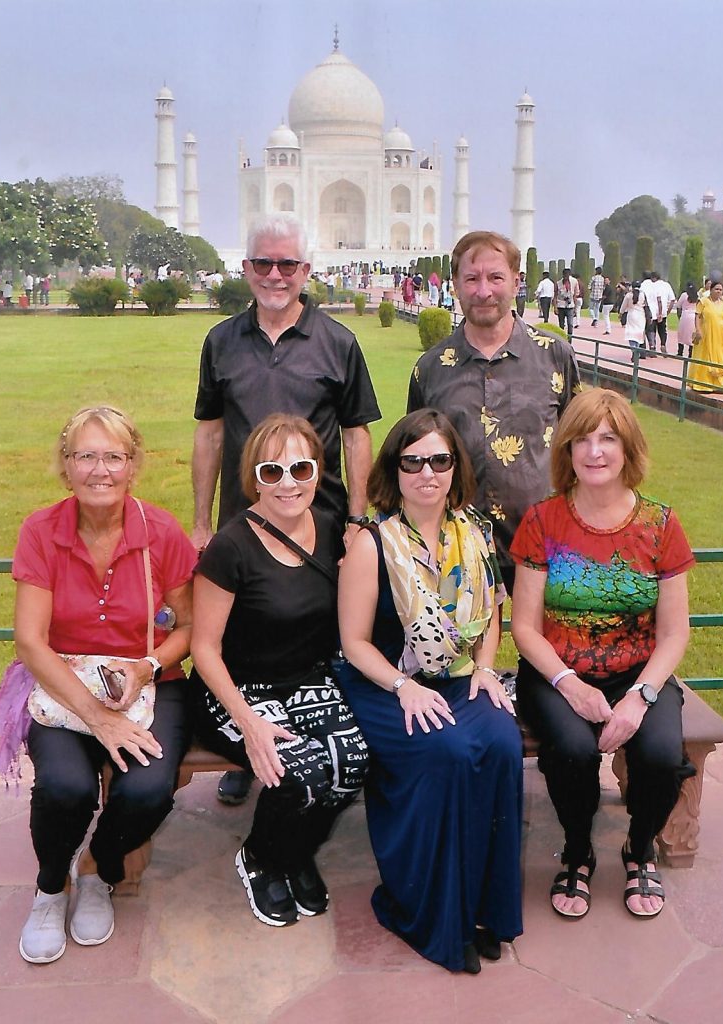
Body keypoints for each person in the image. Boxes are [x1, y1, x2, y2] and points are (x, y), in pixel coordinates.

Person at [191, 212, 380, 806]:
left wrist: (354, 516)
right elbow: (210, 435)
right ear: (246, 268)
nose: (276, 275)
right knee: (243, 634)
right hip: (244, 523)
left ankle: (309, 738)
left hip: (317, 521)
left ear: (307, 271)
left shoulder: (336, 342)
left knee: (313, 634)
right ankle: (248, 743)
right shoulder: (222, 341)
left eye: (288, 264)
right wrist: (201, 520)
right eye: (264, 263)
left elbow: (355, 436)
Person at [8, 406, 196, 963]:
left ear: (133, 464)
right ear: (65, 467)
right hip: (62, 683)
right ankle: (49, 887)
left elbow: (188, 627)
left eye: (113, 456)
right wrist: (97, 715)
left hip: (150, 679)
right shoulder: (41, 530)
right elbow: (30, 643)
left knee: (148, 788)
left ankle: (97, 869)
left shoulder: (159, 530)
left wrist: (145, 667)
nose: (99, 469)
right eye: (84, 456)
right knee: (67, 787)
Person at [338, 409, 522, 974]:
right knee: (446, 751)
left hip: (463, 677)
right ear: (394, 470)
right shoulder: (372, 543)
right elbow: (354, 644)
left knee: (502, 744)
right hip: (385, 683)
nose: (426, 474)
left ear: (454, 467)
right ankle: (427, 912)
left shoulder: (477, 534)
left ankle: (484, 909)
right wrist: (404, 687)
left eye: (439, 460)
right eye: (412, 461)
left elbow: (491, 613)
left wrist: (488, 668)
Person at [510, 388, 695, 921]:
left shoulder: (660, 525)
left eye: (608, 439)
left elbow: (675, 633)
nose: (595, 451)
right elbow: (523, 627)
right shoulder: (543, 522)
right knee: (572, 750)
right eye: (583, 440)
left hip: (640, 674)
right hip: (556, 672)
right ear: (566, 450)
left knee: (660, 756)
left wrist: (640, 696)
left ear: (627, 448)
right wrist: (570, 684)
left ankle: (639, 849)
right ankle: (576, 849)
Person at [189, 414, 367, 927]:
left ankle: (294, 850)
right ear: (253, 478)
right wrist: (248, 722)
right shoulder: (231, 546)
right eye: (271, 471)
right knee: (297, 770)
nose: (287, 482)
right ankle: (260, 857)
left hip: (309, 678)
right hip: (236, 687)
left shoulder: (334, 530)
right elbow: (204, 648)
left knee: (352, 760)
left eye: (300, 468)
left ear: (318, 471)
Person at [407, 230, 580, 595]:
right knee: (457, 652)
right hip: (454, 545)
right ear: (455, 284)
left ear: (517, 282)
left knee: (544, 651)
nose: (483, 291)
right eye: (471, 279)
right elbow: (412, 461)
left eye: (495, 278)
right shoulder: (432, 368)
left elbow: (578, 443)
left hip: (543, 542)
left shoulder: (553, 356)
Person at [688, 279, 723, 393]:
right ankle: (703, 383)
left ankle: (722, 384)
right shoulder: (703, 301)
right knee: (706, 356)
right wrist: (698, 330)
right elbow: (698, 317)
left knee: (722, 357)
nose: (718, 292)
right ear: (710, 290)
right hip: (707, 335)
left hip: (721, 336)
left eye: (720, 290)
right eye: (716, 289)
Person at [620, 282, 647, 360]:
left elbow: (623, 306)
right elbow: (646, 305)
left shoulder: (629, 295)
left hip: (631, 315)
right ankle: (637, 349)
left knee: (631, 334)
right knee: (638, 334)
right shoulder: (643, 295)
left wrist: (621, 313)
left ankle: (633, 350)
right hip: (641, 316)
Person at [675, 282, 698, 358]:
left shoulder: (684, 295)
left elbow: (678, 305)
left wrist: (679, 316)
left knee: (681, 334)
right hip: (694, 316)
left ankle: (680, 352)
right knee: (691, 335)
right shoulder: (697, 296)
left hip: (685, 315)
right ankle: (691, 353)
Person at [555, 268, 577, 341]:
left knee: (570, 324)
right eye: (564, 275)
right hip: (561, 305)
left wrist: (575, 308)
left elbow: (575, 295)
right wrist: (555, 307)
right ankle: (561, 340)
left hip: (570, 306)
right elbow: (555, 296)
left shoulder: (574, 282)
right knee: (561, 325)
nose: (566, 277)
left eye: (567, 276)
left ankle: (569, 340)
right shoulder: (558, 283)